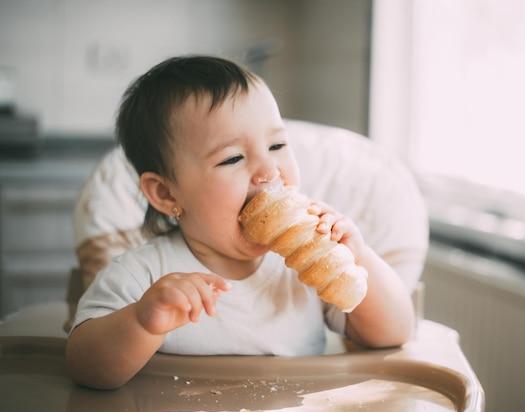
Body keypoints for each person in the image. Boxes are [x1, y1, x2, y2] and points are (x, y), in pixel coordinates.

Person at [65, 55, 415, 390]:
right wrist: (143, 321)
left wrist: (359, 258)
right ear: (167, 195)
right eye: (232, 158)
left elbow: (393, 333)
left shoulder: (306, 269)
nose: (268, 171)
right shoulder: (144, 279)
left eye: (277, 144)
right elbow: (86, 367)